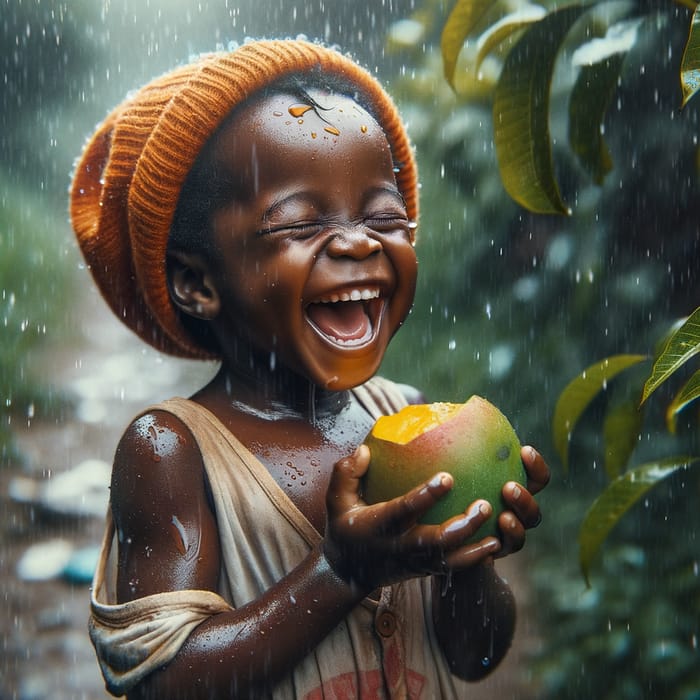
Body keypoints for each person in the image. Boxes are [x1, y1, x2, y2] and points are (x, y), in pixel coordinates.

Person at [70, 39, 549, 700]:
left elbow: (473, 658)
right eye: (298, 224)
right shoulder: (173, 453)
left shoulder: (402, 420)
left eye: (384, 217)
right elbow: (161, 680)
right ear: (196, 283)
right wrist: (339, 572)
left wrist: (469, 562)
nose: (358, 242)